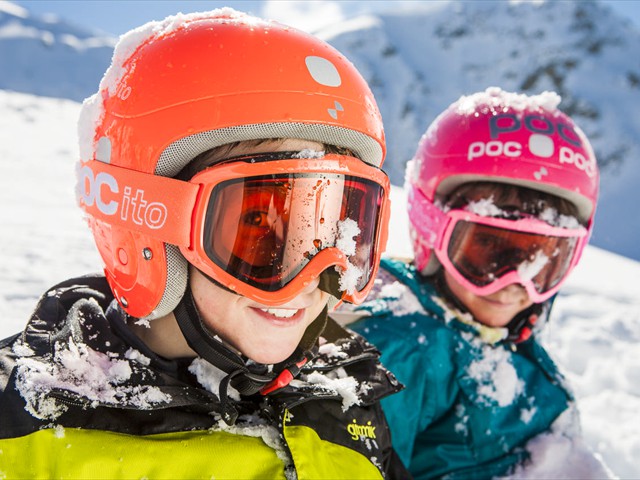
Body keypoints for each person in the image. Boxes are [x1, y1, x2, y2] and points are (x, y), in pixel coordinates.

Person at [0, 9, 411, 479]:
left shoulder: (344, 397)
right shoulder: (24, 432)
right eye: (255, 224)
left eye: (337, 231)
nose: (311, 278)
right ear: (146, 221)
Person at [346, 87, 609, 478]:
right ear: (432, 231)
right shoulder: (402, 349)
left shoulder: (503, 331)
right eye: (488, 247)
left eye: (541, 259)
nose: (515, 282)